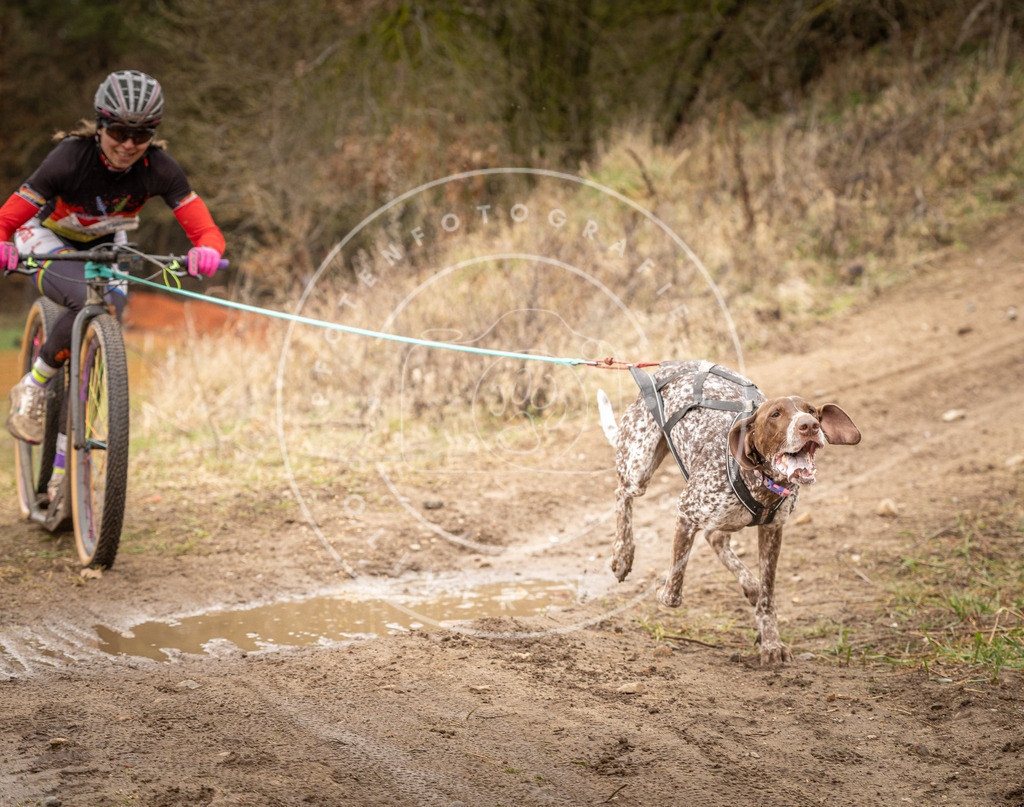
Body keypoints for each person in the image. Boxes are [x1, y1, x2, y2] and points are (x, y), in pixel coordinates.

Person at [0, 69, 225, 504]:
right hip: (45, 238)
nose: (127, 144)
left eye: (140, 135)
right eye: (119, 131)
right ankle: (35, 384)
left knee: (104, 321)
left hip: (107, 244)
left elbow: (206, 232)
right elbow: (7, 217)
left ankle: (66, 464)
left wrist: (206, 253)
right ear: (101, 126)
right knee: (83, 293)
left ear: (152, 136)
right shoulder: (69, 159)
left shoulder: (160, 169)